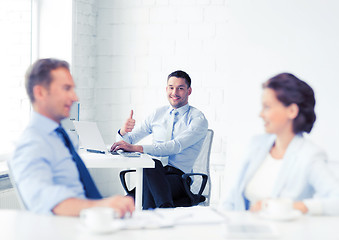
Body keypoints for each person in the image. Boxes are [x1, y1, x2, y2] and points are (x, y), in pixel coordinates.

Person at [9, 58, 134, 216]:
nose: (75, 97)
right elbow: (49, 201)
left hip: (86, 225)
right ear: (40, 92)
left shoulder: (60, 137)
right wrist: (103, 206)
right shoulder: (31, 143)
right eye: (66, 88)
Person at [221, 73, 339, 215]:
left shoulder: (309, 156)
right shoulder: (257, 144)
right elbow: (232, 198)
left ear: (292, 111)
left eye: (267, 107)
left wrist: (293, 207)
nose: (261, 114)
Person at [110, 70, 208, 209]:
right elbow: (129, 140)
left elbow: (175, 146)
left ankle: (155, 211)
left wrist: (138, 148)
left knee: (149, 170)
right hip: (152, 175)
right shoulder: (158, 114)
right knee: (150, 167)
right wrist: (124, 131)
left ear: (189, 91)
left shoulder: (197, 119)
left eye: (180, 88)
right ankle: (164, 210)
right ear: (166, 89)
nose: (175, 92)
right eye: (171, 87)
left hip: (179, 178)